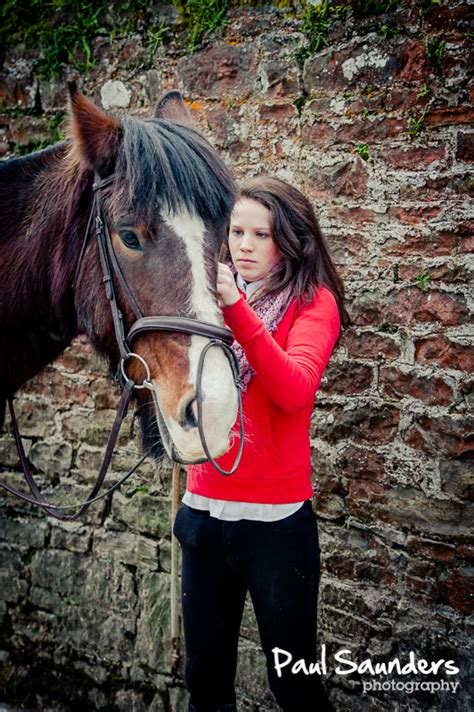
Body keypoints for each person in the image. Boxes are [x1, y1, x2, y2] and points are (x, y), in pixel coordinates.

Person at [173, 175, 350, 712]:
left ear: (291, 240)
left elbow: (294, 389)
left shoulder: (313, 304)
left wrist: (236, 311)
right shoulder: (209, 301)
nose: (243, 245)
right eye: (235, 232)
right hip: (204, 513)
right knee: (204, 680)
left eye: (261, 235)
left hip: (276, 528)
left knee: (293, 685)